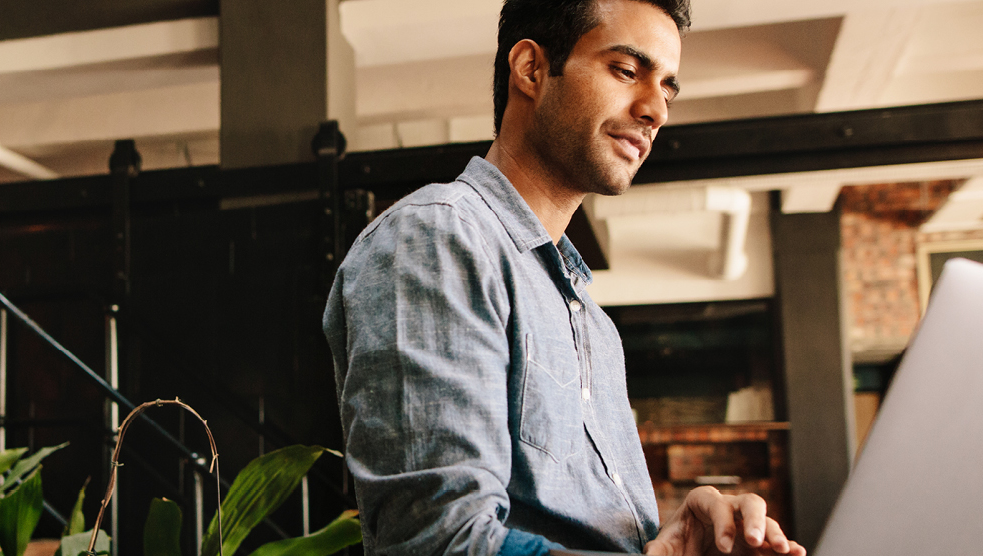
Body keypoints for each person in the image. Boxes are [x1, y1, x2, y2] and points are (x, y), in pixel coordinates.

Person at [322, 0, 806, 554]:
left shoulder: (593, 326)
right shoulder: (438, 238)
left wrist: (671, 543)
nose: (656, 110)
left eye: (668, 89)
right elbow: (440, 540)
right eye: (627, 71)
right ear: (530, 69)